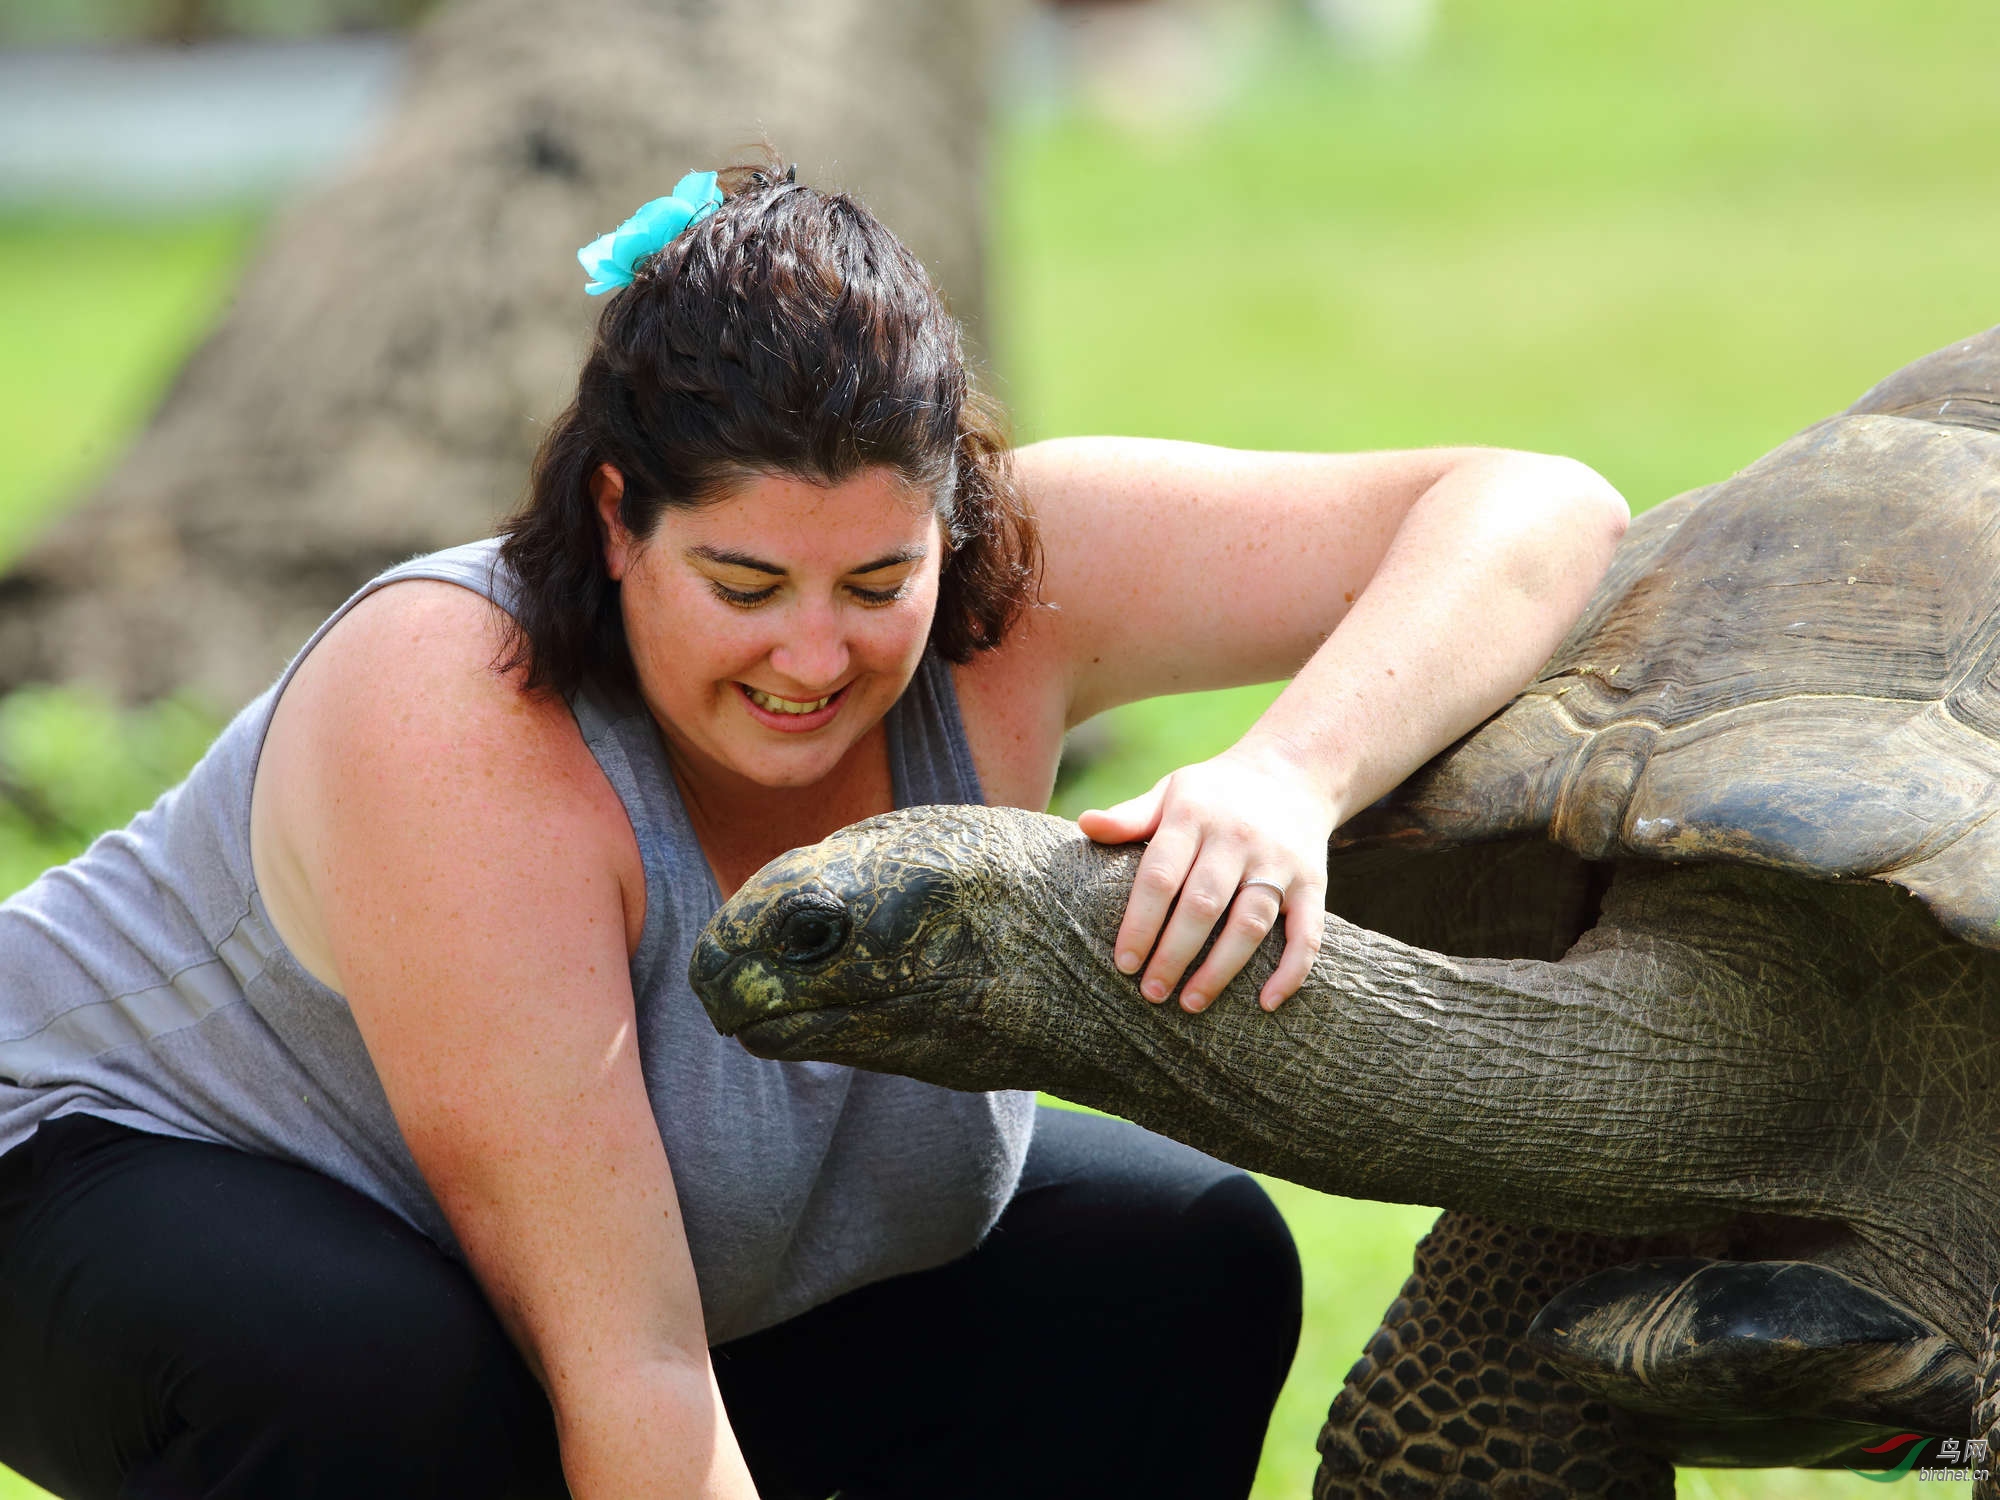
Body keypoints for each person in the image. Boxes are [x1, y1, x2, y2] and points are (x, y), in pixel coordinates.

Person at [0, 162, 1627, 1500]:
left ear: (952, 519)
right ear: (618, 517)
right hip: (105, 1168)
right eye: (745, 585)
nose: (811, 659)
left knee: (1169, 1266)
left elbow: (1540, 507)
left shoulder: (1021, 576)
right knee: (393, 1390)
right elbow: (634, 1374)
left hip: (645, 1260)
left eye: (877, 583)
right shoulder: (456, 707)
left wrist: (1290, 775)